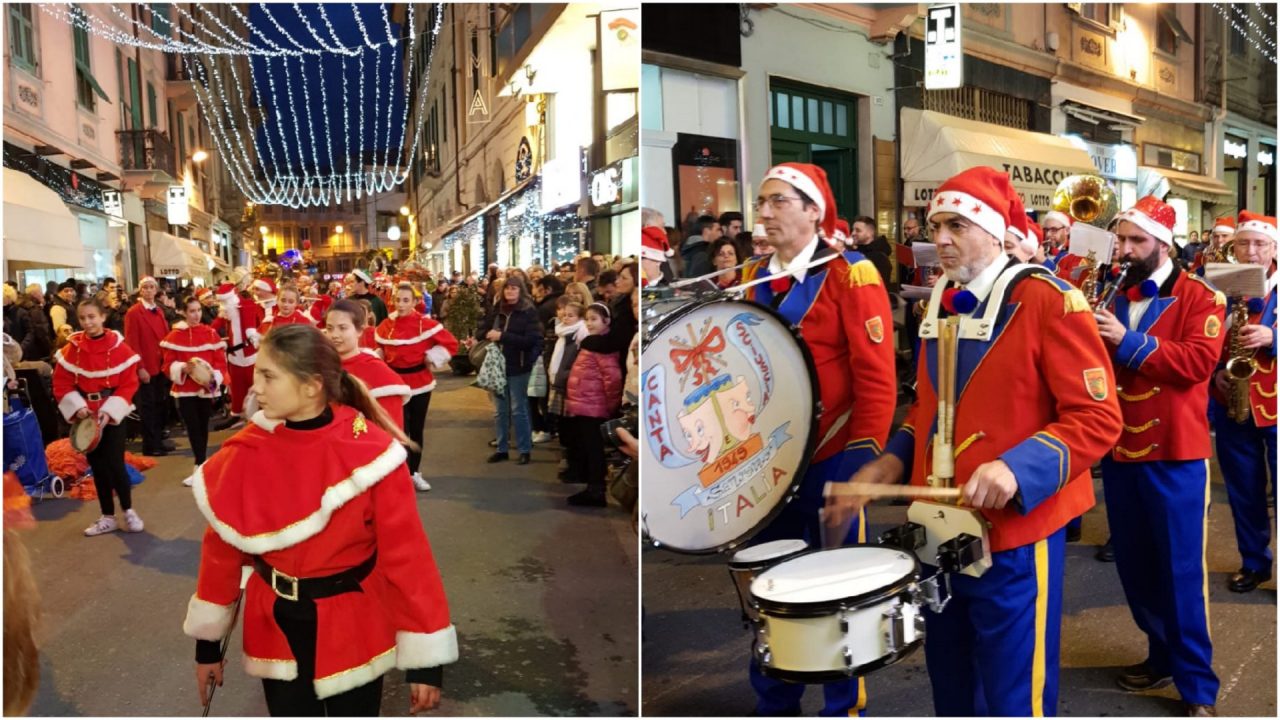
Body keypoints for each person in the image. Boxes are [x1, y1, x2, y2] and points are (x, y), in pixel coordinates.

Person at [828, 166, 1123, 716]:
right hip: (938, 525)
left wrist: (1017, 467)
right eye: (936, 223)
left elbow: (1097, 417)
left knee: (1015, 691)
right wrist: (888, 464)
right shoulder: (940, 299)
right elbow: (930, 410)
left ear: (992, 231)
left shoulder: (1048, 301)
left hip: (1014, 530)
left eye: (957, 224)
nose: (940, 237)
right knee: (952, 678)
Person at [183, 324, 456, 716]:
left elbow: (408, 557)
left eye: (268, 376)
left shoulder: (371, 454)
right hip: (274, 627)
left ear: (311, 386)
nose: (255, 386)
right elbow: (222, 552)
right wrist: (207, 646)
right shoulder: (245, 452)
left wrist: (426, 662)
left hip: (354, 626)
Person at [738, 162, 897, 715]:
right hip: (764, 462)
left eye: (779, 201)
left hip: (830, 455)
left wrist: (859, 467)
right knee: (770, 587)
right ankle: (774, 700)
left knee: (837, 592)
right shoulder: (752, 275)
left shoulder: (850, 275)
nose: (764, 212)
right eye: (762, 201)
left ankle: (841, 706)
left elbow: (878, 381)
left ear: (813, 210)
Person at [1091, 195, 1225, 716]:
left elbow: (1195, 364)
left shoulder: (1201, 297)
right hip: (1121, 448)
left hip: (1174, 452)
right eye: (1120, 239)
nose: (1123, 250)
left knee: (1182, 572)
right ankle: (1160, 653)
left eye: (1135, 241)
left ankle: (1197, 687)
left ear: (1162, 244)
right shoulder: (1113, 289)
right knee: (1137, 566)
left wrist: (1126, 341)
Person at [1207, 211, 1277, 593]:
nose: (1251, 251)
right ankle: (1254, 562)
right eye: (1244, 243)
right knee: (1244, 491)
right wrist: (1216, 370)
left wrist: (1273, 338)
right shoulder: (1223, 285)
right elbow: (1205, 334)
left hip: (1276, 408)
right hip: (1233, 402)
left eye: (1260, 244)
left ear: (1274, 249)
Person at [53, 298, 144, 536]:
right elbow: (61, 382)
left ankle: (128, 510)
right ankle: (107, 516)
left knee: (115, 464)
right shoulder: (71, 348)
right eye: (82, 318)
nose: (87, 322)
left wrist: (109, 411)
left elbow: (128, 383)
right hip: (86, 415)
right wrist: (77, 407)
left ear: (103, 317)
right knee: (98, 467)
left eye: (92, 317)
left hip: (112, 414)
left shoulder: (120, 347)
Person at [376, 284, 459, 491]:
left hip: (420, 383)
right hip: (395, 385)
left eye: (406, 300)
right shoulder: (386, 325)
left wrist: (433, 356)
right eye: (398, 300)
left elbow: (451, 344)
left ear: (414, 302)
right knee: (398, 431)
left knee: (416, 430)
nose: (401, 304)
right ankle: (401, 473)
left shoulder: (425, 324)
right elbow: (379, 349)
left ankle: (415, 472)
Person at [475, 276, 543, 465]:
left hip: (519, 366)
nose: (510, 292)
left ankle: (524, 449)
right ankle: (502, 448)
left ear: (521, 290)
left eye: (514, 288)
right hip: (497, 366)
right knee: (499, 411)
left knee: (518, 409)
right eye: (507, 288)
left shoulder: (528, 312)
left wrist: (503, 336)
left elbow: (532, 341)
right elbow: (482, 329)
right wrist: (484, 335)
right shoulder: (497, 309)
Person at [561, 302, 623, 507]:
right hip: (585, 403)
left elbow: (612, 379)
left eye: (594, 319)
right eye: (587, 319)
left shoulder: (602, 346)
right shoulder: (591, 343)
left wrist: (611, 406)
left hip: (594, 406)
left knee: (594, 448)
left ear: (606, 321)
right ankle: (591, 487)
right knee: (588, 447)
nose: (590, 323)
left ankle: (596, 490)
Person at [162, 296, 228, 486]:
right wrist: (182, 367)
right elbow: (167, 365)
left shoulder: (211, 334)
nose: (196, 315)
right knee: (192, 427)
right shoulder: (174, 336)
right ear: (183, 312)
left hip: (206, 389)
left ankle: (201, 464)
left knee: (202, 425)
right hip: (185, 389)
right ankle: (199, 464)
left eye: (198, 310)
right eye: (192, 311)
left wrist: (212, 380)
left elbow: (220, 363)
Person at [324, 298, 409, 433]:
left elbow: (391, 432)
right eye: (330, 328)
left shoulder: (379, 373)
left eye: (342, 328)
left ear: (359, 331)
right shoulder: (320, 367)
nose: (334, 335)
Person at [124, 276, 175, 457]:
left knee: (161, 404)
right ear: (140, 290)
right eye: (145, 287)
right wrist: (140, 367)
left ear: (156, 290)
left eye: (151, 287)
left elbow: (166, 337)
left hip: (160, 364)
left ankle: (159, 440)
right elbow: (132, 343)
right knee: (148, 407)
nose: (148, 290)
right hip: (147, 366)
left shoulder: (159, 311)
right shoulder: (134, 312)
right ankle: (150, 445)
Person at [211, 282, 265, 419]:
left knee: (256, 388)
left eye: (225, 301)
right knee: (237, 388)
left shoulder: (246, 306)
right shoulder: (227, 311)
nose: (223, 305)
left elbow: (251, 327)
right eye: (221, 302)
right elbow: (215, 326)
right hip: (234, 356)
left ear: (232, 298)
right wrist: (207, 334)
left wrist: (254, 338)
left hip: (250, 355)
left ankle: (260, 416)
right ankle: (237, 415)